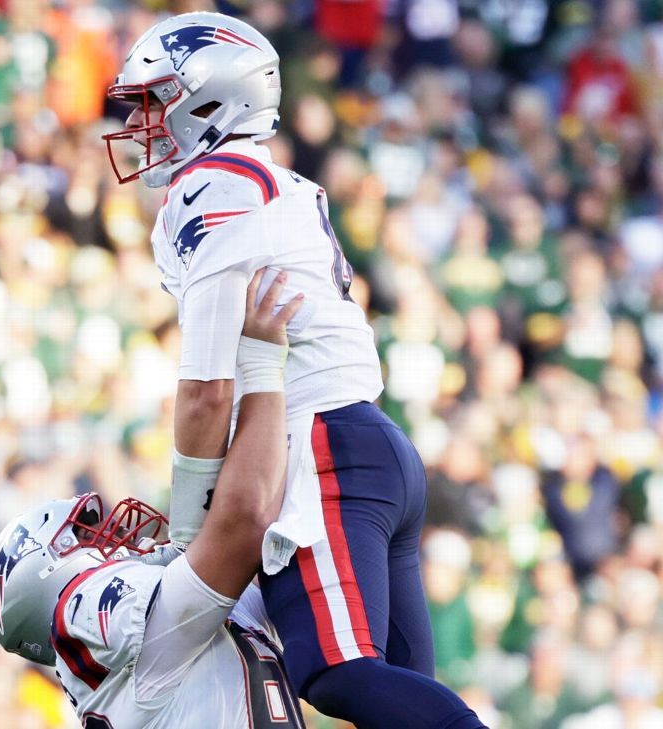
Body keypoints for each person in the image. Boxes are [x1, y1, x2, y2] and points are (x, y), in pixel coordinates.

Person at [103, 12, 486, 729]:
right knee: (396, 699)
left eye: (155, 100)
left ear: (211, 102)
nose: (142, 121)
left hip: (320, 448)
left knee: (335, 673)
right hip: (370, 440)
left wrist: (193, 535)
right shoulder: (276, 180)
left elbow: (208, 387)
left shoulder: (212, 186)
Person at [0, 270, 306, 728]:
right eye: (84, 537)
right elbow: (247, 521)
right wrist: (261, 362)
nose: (112, 536)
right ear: (48, 577)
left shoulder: (154, 644)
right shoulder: (96, 625)